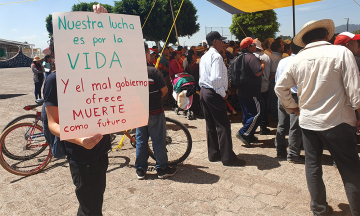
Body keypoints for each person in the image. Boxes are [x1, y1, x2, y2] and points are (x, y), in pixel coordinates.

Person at [275, 19, 360, 216]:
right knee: (350, 168)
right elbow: (355, 91)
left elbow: (280, 88)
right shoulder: (341, 52)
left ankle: (319, 209)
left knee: (312, 166)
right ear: (327, 35)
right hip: (338, 121)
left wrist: (293, 108)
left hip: (309, 122)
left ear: (304, 40)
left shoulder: (297, 58)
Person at [44, 4, 111, 215]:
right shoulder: (55, 80)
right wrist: (79, 139)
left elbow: (113, 52)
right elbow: (53, 124)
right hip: (82, 157)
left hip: (102, 151)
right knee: (91, 208)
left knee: (92, 204)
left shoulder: (94, 71)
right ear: (55, 55)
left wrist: (104, 22)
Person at [199, 31, 245, 166]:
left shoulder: (205, 56)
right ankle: (228, 158)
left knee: (211, 125)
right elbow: (215, 79)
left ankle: (214, 154)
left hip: (204, 91)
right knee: (223, 125)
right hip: (214, 92)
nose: (224, 43)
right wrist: (222, 93)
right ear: (215, 41)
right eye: (221, 40)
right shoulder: (216, 57)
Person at [136, 43, 176, 180]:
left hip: (139, 113)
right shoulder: (152, 71)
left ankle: (140, 169)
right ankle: (161, 169)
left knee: (141, 140)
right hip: (155, 111)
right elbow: (164, 91)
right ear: (146, 54)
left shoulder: (131, 73)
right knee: (158, 140)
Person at [274, 41, 304, 163]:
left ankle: (280, 150)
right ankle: (293, 154)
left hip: (281, 95)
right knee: (294, 127)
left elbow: (277, 79)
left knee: (282, 124)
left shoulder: (283, 61)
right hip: (294, 96)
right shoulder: (300, 62)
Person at [235, 37, 265, 147]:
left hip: (242, 90)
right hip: (252, 91)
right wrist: (262, 64)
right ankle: (243, 133)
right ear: (249, 47)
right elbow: (258, 72)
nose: (255, 46)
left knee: (248, 114)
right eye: (253, 44)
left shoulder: (239, 57)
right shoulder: (251, 57)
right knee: (258, 112)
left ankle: (249, 134)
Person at [253, 40, 276, 135]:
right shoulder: (267, 57)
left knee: (253, 107)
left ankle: (252, 127)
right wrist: (267, 80)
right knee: (264, 107)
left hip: (252, 87)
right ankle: (263, 127)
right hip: (265, 87)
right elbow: (273, 73)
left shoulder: (250, 56)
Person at [269, 40, 284, 121]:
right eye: (282, 46)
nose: (283, 47)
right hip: (275, 81)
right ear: (278, 48)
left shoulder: (272, 56)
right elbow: (274, 72)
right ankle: (275, 115)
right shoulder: (278, 59)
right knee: (275, 99)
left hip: (273, 81)